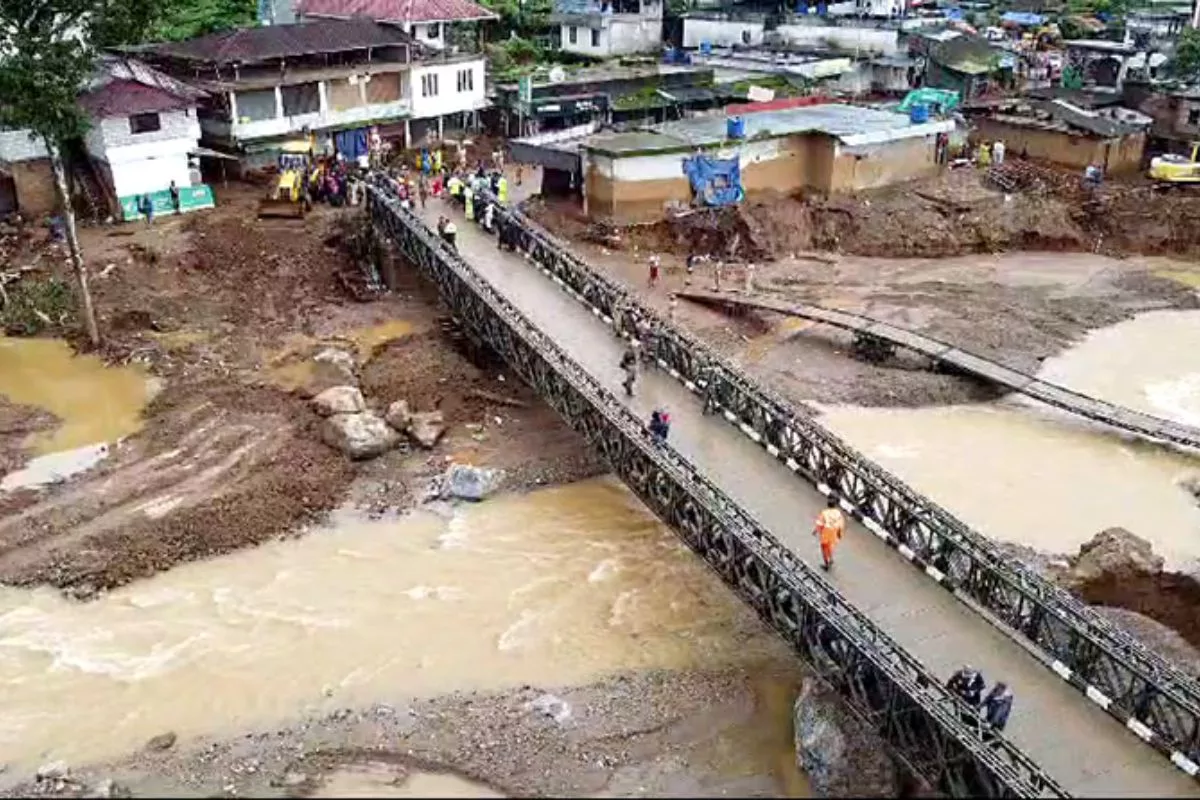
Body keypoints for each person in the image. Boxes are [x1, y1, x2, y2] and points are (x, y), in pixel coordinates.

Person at [812, 496, 845, 571]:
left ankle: (826, 563)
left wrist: (815, 531)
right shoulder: (838, 513)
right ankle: (831, 558)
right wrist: (839, 533)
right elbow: (841, 523)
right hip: (834, 531)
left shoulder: (824, 513)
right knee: (830, 546)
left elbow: (820, 523)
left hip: (826, 531)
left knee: (823, 547)